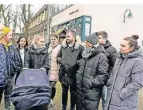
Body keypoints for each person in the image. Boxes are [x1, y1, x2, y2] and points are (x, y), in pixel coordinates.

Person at [105, 35, 143, 110]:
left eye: (123, 46)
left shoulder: (138, 62)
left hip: (125, 102)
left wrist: (123, 93)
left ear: (131, 48)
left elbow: (138, 83)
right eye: (120, 45)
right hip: (112, 98)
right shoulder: (119, 58)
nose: (120, 47)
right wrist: (109, 83)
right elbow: (114, 74)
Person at [76, 33, 109, 110]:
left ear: (90, 44)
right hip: (81, 89)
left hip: (91, 92)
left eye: (86, 42)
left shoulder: (101, 56)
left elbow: (102, 75)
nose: (85, 44)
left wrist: (91, 83)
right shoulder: (85, 54)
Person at [58, 30, 84, 110]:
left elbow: (83, 60)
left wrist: (75, 63)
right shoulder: (63, 46)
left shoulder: (80, 48)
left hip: (74, 75)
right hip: (64, 73)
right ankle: (64, 107)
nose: (66, 38)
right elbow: (58, 56)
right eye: (66, 36)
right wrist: (61, 61)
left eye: (68, 36)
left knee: (73, 93)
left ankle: (72, 107)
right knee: (64, 91)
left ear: (73, 37)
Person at [24, 35, 49, 110]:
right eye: (41, 41)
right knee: (31, 93)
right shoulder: (30, 50)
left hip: (41, 76)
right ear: (36, 41)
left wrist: (43, 68)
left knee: (40, 93)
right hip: (31, 76)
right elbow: (27, 61)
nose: (43, 43)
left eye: (43, 41)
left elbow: (47, 63)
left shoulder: (45, 51)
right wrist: (26, 70)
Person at [0, 25, 22, 110]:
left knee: (8, 96)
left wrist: (15, 69)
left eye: (12, 35)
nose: (12, 37)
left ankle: (7, 108)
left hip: (11, 77)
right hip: (1, 78)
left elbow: (17, 59)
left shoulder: (12, 47)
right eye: (10, 35)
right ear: (4, 35)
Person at [98, 31, 117, 109]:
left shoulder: (112, 50)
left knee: (105, 100)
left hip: (105, 81)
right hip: (97, 80)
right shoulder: (98, 48)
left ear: (105, 38)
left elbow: (114, 66)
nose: (98, 40)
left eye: (99, 38)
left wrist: (107, 77)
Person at [48, 35, 61, 107]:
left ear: (57, 40)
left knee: (52, 86)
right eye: (52, 39)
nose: (53, 40)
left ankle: (51, 100)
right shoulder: (49, 47)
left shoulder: (59, 48)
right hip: (48, 71)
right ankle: (49, 100)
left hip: (55, 70)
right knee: (48, 86)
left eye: (54, 39)